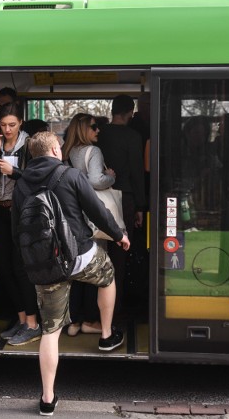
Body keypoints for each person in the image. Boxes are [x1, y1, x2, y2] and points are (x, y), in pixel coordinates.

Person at [11, 131, 130, 416]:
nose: (62, 150)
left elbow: (17, 232)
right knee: (108, 275)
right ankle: (106, 334)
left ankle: (47, 399)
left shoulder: (20, 184)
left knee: (50, 331)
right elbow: (98, 210)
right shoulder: (71, 175)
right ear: (53, 149)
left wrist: (35, 260)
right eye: (60, 147)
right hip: (80, 257)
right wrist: (119, 235)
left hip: (47, 266)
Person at [0, 102, 40, 346]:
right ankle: (23, 319)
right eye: (3, 125)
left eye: (12, 125)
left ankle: (33, 324)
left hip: (21, 212)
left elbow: (38, 178)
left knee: (20, 268)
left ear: (21, 123)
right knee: (3, 267)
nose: (7, 130)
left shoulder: (31, 145)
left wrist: (14, 172)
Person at [61, 113, 116, 336]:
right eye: (94, 127)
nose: (98, 131)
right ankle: (92, 321)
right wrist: (110, 176)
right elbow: (95, 180)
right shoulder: (94, 151)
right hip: (92, 220)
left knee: (75, 270)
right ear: (84, 129)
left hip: (72, 218)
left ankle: (73, 322)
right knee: (97, 271)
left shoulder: (65, 152)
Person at [96, 94, 146, 313]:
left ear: (112, 109)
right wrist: (141, 207)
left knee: (96, 253)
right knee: (120, 255)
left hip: (96, 198)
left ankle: (93, 311)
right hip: (124, 199)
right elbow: (137, 173)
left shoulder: (99, 133)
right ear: (130, 113)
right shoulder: (133, 136)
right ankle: (114, 312)